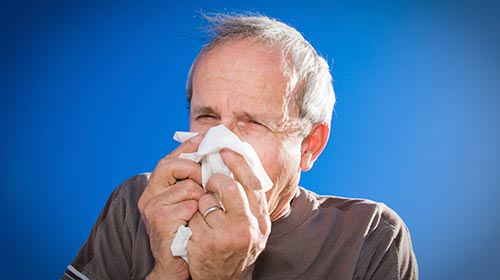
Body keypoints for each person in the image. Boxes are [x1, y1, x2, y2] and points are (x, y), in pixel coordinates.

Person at [62, 13, 418, 280]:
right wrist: (168, 272)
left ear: (310, 146)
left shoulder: (368, 237)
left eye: (252, 122)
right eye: (206, 117)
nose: (220, 142)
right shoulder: (137, 205)